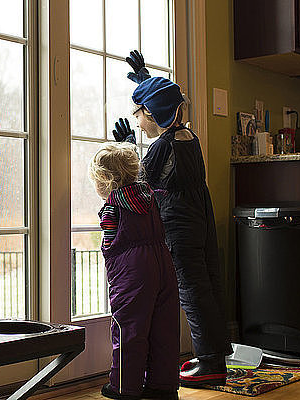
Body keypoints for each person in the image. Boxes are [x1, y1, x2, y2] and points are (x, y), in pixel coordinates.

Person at [113, 50, 233, 388]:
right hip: (201, 219)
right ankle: (213, 356)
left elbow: (140, 184)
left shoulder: (161, 146)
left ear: (152, 114)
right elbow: (165, 96)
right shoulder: (188, 137)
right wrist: (143, 77)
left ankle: (210, 364)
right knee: (208, 284)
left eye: (139, 116)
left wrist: (126, 147)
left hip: (179, 225)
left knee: (192, 291)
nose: (137, 122)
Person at [89, 142, 180, 400]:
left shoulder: (112, 207)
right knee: (164, 328)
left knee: (129, 327)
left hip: (132, 270)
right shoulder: (149, 196)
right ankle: (163, 386)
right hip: (163, 262)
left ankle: (124, 387)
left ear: (105, 181)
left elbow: (109, 243)